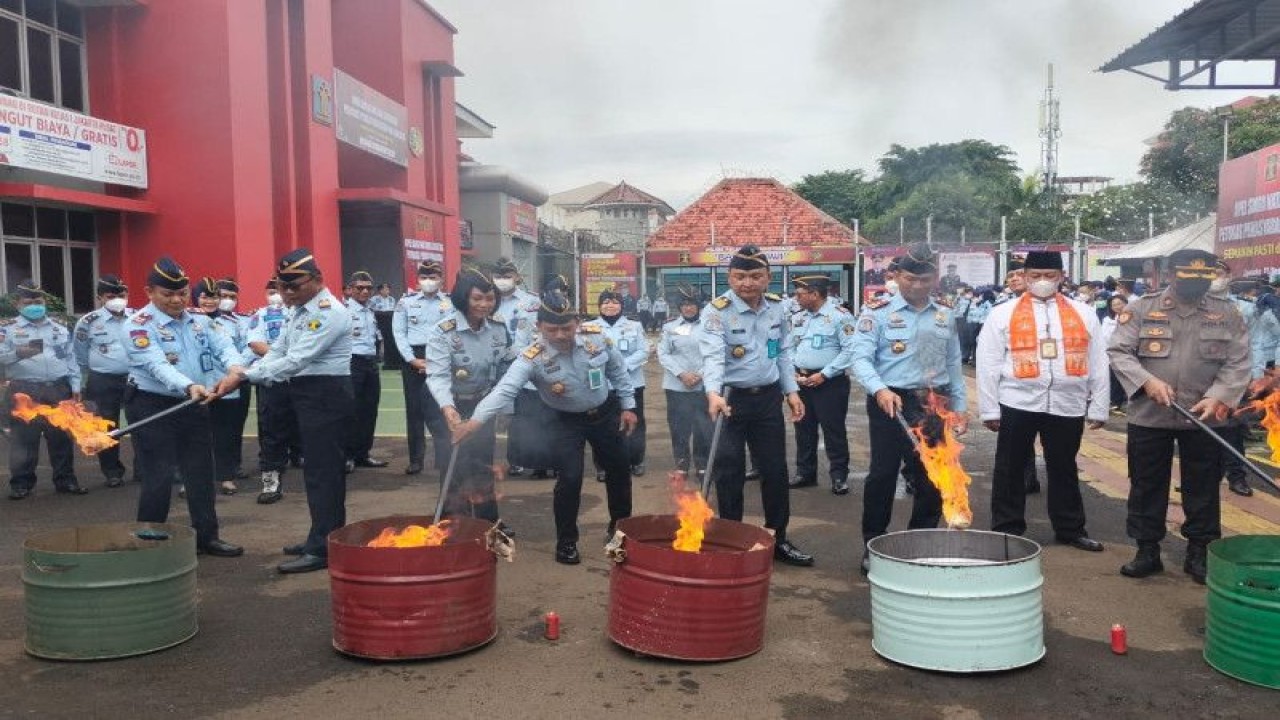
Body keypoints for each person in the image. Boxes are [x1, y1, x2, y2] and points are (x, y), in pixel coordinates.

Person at [452, 284, 638, 565]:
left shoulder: (597, 339)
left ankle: (619, 533)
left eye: (567, 328)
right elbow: (504, 390)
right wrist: (474, 422)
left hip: (604, 414)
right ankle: (566, 542)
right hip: (564, 421)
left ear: (577, 322)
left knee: (619, 472)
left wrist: (628, 406)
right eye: (552, 330)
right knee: (570, 478)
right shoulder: (532, 357)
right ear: (539, 327)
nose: (561, 336)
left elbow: (618, 371)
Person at [1107, 249, 1250, 585]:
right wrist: (1147, 381)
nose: (1195, 286)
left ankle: (1199, 550)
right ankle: (1147, 549)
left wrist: (1218, 397)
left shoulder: (1227, 313)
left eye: (1202, 280)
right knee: (1146, 484)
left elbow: (1238, 361)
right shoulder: (1142, 307)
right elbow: (1119, 351)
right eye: (1187, 278)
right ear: (1170, 275)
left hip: (1204, 415)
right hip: (1150, 414)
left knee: (1202, 486)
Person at [214, 248, 354, 574]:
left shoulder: (327, 311)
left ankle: (324, 548)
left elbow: (296, 359)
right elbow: (279, 350)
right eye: (282, 286)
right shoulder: (300, 309)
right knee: (314, 472)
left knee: (324, 473)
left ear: (318, 280)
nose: (287, 292)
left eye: (294, 285)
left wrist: (245, 377)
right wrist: (242, 371)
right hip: (304, 393)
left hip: (326, 395)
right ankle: (319, 536)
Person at [977, 251, 1108, 551]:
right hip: (1017, 400)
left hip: (1067, 401)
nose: (1043, 282)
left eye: (1050, 276)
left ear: (1062, 277)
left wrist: (1099, 405)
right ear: (1024, 277)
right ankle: (1007, 529)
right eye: (1035, 275)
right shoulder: (1003, 313)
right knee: (1009, 468)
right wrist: (989, 408)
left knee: (1064, 467)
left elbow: (1099, 360)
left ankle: (1070, 529)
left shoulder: (1083, 312)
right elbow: (988, 362)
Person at [851, 244, 967, 574]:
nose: (917, 285)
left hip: (934, 403)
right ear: (897, 276)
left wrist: (959, 408)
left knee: (933, 476)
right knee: (882, 476)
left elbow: (954, 364)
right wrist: (880, 389)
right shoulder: (877, 312)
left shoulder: (944, 314)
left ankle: (922, 541)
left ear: (935, 278)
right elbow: (860, 359)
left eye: (925, 279)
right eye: (910, 278)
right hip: (892, 401)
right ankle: (873, 544)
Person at [701, 244, 813, 567]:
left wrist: (791, 392)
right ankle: (732, 541)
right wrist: (713, 393)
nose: (746, 283)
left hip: (767, 399)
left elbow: (783, 352)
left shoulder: (778, 308)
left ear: (768, 278)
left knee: (775, 471)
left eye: (755, 276)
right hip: (729, 400)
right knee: (730, 473)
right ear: (729, 276)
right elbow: (712, 358)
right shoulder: (716, 311)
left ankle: (778, 537)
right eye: (739, 276)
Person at [122, 258, 243, 557]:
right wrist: (187, 385)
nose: (177, 300)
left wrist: (234, 369)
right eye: (168, 294)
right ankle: (149, 541)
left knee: (201, 471)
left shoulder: (200, 320)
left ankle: (207, 537)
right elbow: (155, 364)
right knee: (158, 475)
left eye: (182, 293)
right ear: (149, 292)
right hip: (152, 403)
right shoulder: (137, 326)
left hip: (194, 403)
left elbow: (224, 346)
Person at [427, 268, 515, 525]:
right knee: (453, 463)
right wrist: (448, 408)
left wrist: (505, 408)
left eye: (489, 298)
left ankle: (488, 522)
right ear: (464, 297)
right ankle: (454, 521)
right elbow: (438, 376)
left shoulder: (498, 328)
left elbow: (504, 372)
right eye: (477, 298)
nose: (484, 305)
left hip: (481, 403)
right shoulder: (443, 331)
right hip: (446, 403)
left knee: (482, 461)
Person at [1, 280, 86, 499]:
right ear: (18, 304)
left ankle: (65, 481)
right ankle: (21, 484)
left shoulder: (58, 326)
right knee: (25, 440)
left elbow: (71, 357)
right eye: (29, 302)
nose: (35, 305)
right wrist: (24, 351)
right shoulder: (7, 328)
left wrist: (75, 384)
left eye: (38, 301)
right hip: (24, 390)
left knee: (61, 438)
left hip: (58, 388)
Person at [787, 274, 857, 495]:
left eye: (799, 294)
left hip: (830, 384)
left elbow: (851, 350)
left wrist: (824, 374)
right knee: (803, 429)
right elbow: (789, 347)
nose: (795, 298)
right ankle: (805, 473)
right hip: (801, 382)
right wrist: (794, 372)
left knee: (833, 430)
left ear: (814, 294)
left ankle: (838, 476)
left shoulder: (840, 317)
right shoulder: (799, 317)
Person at [493, 257, 556, 477]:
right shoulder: (487, 299)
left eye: (507, 276)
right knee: (504, 413)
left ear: (517, 278)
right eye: (498, 276)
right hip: (494, 363)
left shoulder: (531, 302)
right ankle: (511, 459)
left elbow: (535, 334)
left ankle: (531, 460)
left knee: (528, 413)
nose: (502, 281)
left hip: (524, 362)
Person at [391, 259, 453, 476]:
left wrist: (438, 360)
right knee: (414, 410)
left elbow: (453, 332)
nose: (428, 281)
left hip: (440, 358)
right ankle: (416, 459)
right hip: (414, 358)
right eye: (424, 277)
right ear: (417, 280)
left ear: (441, 279)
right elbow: (399, 333)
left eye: (433, 277)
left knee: (441, 409)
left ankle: (443, 457)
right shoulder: (405, 302)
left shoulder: (449, 303)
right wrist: (411, 359)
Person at [72, 274, 134, 488]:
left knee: (144, 424)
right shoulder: (88, 322)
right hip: (102, 380)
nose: (117, 298)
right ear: (100, 297)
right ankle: (112, 472)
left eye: (121, 294)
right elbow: (79, 356)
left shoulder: (138, 317)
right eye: (111, 295)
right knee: (105, 428)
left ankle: (146, 468)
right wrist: (80, 384)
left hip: (136, 379)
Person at [245, 279, 300, 503]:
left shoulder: (304, 313)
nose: (281, 294)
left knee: (309, 427)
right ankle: (270, 481)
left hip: (303, 378)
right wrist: (283, 360)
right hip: (273, 379)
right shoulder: (261, 315)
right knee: (272, 431)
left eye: (288, 288)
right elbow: (255, 343)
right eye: (275, 291)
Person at [201, 278, 253, 495]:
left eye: (230, 297)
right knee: (197, 435)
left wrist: (236, 371)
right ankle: (193, 479)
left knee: (227, 433)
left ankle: (226, 477)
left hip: (228, 384)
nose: (221, 301)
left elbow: (247, 348)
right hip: (198, 385)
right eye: (214, 296)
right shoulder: (187, 321)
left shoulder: (237, 323)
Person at [592, 289, 649, 476]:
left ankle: (636, 461)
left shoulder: (635, 326)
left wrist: (621, 366)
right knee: (601, 426)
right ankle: (603, 466)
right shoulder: (589, 328)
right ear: (600, 306)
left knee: (634, 423)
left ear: (621, 306)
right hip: (602, 385)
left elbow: (643, 351)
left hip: (631, 382)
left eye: (615, 302)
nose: (610, 305)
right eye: (606, 302)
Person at [657, 284, 712, 476]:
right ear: (679, 307)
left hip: (703, 385)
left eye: (692, 304)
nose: (688, 308)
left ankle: (702, 464)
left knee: (703, 427)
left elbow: (714, 353)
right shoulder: (670, 327)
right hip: (676, 386)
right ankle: (681, 464)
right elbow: (663, 354)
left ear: (699, 306)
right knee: (679, 428)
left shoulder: (710, 326)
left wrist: (700, 374)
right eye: (684, 305)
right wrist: (682, 374)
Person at [344, 271, 387, 472]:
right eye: (360, 287)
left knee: (370, 410)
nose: (364, 291)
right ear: (350, 289)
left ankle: (363, 453)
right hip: (352, 363)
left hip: (370, 364)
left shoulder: (370, 311)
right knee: (351, 411)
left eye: (368, 288)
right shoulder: (343, 311)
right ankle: (348, 455)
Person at [1100, 295, 1129, 413]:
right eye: (1114, 305)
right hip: (1112, 353)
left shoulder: (1133, 317)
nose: (1117, 306)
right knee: (1114, 378)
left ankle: (1123, 401)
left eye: (1120, 303)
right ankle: (1115, 402)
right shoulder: (1108, 320)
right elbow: (1104, 337)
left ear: (1125, 303)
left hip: (1128, 352)